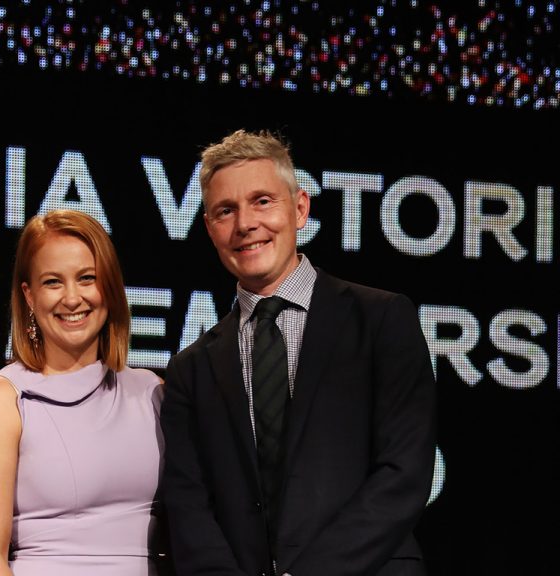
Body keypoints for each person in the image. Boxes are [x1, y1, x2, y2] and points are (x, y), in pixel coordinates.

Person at [161, 130, 436, 576]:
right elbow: (189, 505)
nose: (245, 223)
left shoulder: (382, 320)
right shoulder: (191, 368)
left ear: (300, 208)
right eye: (225, 211)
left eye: (262, 201)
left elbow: (403, 472)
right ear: (209, 227)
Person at [0, 210, 165, 576]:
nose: (72, 298)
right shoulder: (1, 399)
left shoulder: (152, 392)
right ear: (29, 295)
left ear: (110, 288)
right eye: (53, 282)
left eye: (87, 278)